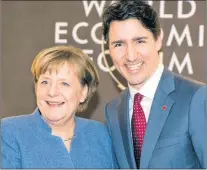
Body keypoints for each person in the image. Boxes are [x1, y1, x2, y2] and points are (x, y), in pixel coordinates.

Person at [102, 0, 206, 169]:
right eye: (119, 44)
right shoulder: (112, 110)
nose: (130, 56)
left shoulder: (196, 97)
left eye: (139, 41)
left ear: (158, 40)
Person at [1, 45, 117, 168]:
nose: (52, 92)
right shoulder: (10, 131)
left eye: (64, 83)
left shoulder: (100, 134)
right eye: (45, 82)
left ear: (83, 92)